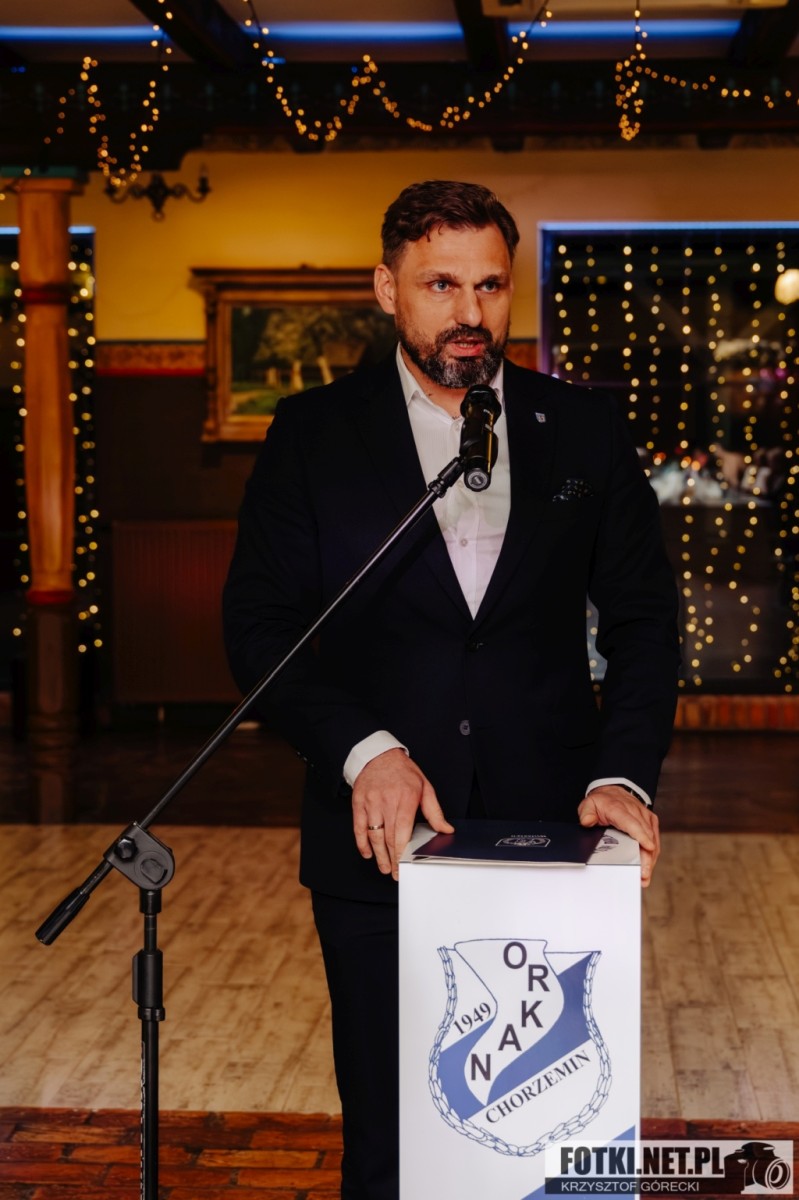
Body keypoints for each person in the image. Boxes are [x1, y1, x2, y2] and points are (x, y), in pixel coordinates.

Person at [223, 180, 680, 1200]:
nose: (470, 312)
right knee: (389, 1138)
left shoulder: (583, 429)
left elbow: (645, 621)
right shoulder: (310, 434)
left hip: (553, 833)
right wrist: (365, 751)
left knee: (546, 1139)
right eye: (440, 285)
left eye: (490, 285)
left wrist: (622, 775)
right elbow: (259, 626)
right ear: (387, 288)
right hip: (379, 842)